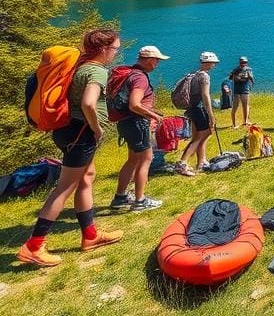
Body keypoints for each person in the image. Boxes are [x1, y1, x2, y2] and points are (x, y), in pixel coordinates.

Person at [17, 29, 124, 266]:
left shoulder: (79, 65)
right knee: (64, 188)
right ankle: (33, 246)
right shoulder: (96, 70)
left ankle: (90, 236)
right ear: (104, 49)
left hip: (67, 131)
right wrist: (96, 128)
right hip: (81, 133)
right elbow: (88, 102)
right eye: (115, 49)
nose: (115, 53)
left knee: (87, 178)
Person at [110, 45, 168, 212]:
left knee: (133, 159)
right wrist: (154, 116)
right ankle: (140, 201)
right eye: (156, 61)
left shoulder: (129, 73)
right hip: (137, 123)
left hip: (126, 122)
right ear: (149, 60)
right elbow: (134, 104)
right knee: (145, 159)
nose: (157, 64)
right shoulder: (140, 78)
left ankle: (120, 197)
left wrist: (152, 111)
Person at [175, 51, 219, 176]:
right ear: (208, 63)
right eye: (213, 63)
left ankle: (201, 162)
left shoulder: (194, 74)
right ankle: (182, 163)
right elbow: (205, 95)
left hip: (191, 108)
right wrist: (211, 115)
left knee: (199, 136)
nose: (213, 66)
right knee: (203, 135)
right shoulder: (204, 76)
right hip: (198, 108)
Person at [228, 56, 254, 128]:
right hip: (237, 90)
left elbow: (251, 78)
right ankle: (234, 123)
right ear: (239, 62)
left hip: (245, 89)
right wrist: (235, 76)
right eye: (242, 62)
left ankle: (245, 122)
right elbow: (230, 78)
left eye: (245, 62)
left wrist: (250, 82)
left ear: (246, 63)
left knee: (245, 105)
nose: (243, 63)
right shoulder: (236, 69)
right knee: (235, 106)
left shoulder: (249, 69)